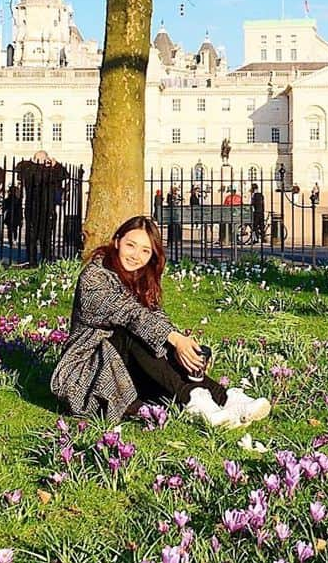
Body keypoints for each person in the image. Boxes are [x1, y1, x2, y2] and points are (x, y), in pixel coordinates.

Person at [50, 215, 271, 426]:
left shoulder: (140, 278)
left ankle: (225, 400)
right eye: (131, 245)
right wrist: (175, 339)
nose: (136, 255)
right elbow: (130, 314)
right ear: (117, 242)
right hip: (87, 376)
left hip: (127, 371)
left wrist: (181, 348)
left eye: (145, 250)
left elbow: (155, 317)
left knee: (164, 341)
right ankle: (198, 402)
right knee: (131, 332)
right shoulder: (94, 276)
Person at [16, 151, 67, 265]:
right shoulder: (31, 169)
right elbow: (19, 169)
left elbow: (64, 174)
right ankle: (38, 260)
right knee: (34, 236)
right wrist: (52, 165)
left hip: (46, 208)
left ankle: (41, 259)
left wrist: (55, 165)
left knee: (44, 236)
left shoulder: (49, 172)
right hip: (36, 207)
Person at [2, 183, 23, 249]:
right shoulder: (18, 200)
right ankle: (14, 240)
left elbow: (5, 208)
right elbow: (20, 209)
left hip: (10, 215)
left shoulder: (8, 199)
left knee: (10, 230)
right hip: (16, 216)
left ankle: (11, 241)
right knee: (15, 229)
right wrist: (21, 218)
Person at [165, 186, 183, 251]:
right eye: (175, 190)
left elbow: (179, 201)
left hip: (176, 213)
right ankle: (170, 241)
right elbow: (169, 202)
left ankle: (177, 241)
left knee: (177, 227)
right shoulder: (169, 195)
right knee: (171, 228)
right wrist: (173, 201)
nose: (175, 192)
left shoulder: (177, 195)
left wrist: (178, 201)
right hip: (171, 213)